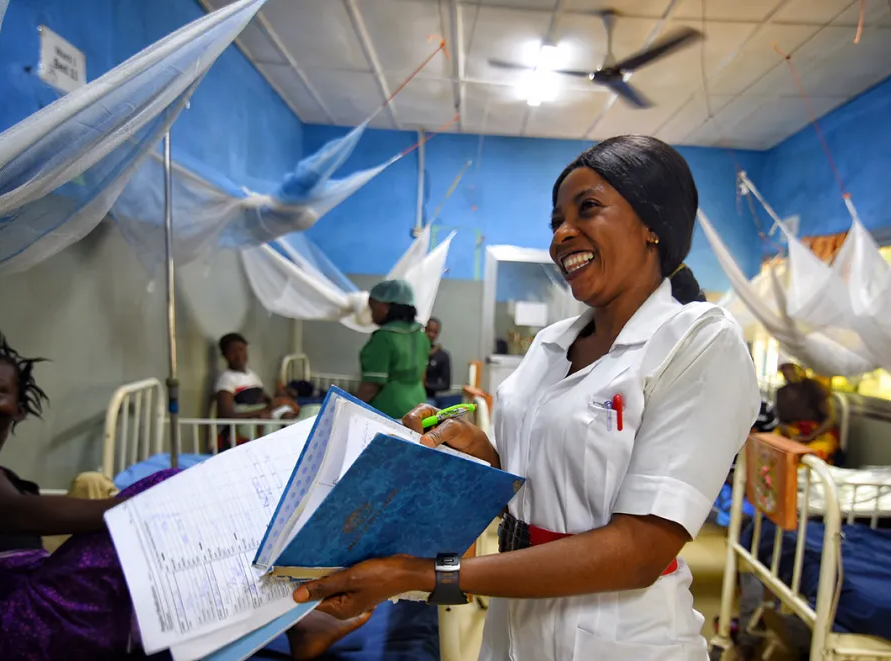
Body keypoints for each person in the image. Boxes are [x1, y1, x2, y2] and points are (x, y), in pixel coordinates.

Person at [293, 135, 760, 661]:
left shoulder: (700, 341)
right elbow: (546, 485)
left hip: (620, 640)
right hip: (515, 630)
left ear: (654, 223)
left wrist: (424, 576)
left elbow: (638, 552)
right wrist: (480, 458)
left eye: (588, 208)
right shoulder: (550, 344)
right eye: (555, 220)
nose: (563, 233)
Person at [0, 327, 366, 659]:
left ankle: (290, 624)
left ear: (18, 408)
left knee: (165, 562)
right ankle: (299, 621)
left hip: (23, 614)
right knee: (163, 489)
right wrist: (159, 505)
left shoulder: (8, 480)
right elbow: (11, 512)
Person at [356, 279, 431, 420]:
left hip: (389, 409)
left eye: (372, 308)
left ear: (385, 307)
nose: (371, 315)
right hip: (419, 407)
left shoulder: (384, 337)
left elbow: (371, 386)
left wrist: (350, 407)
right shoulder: (421, 335)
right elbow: (422, 376)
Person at [215, 332, 299, 450]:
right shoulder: (227, 379)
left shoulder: (252, 376)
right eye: (232, 351)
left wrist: (281, 397)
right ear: (225, 355)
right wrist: (262, 411)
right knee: (274, 424)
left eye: (241, 349)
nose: (238, 355)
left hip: (262, 414)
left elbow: (267, 401)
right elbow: (225, 415)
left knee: (298, 412)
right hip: (246, 424)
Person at [773, 362, 838, 462]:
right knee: (772, 448)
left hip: (817, 434)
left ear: (801, 369)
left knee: (810, 458)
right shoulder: (780, 392)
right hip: (791, 434)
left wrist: (810, 436)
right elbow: (780, 420)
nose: (788, 372)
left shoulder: (815, 387)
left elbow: (830, 419)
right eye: (784, 368)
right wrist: (788, 432)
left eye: (791, 368)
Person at [423, 317, 452, 401]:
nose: (431, 335)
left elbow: (446, 385)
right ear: (424, 330)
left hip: (429, 397)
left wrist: (426, 385)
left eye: (435, 332)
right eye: (429, 330)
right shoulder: (415, 351)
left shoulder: (442, 355)